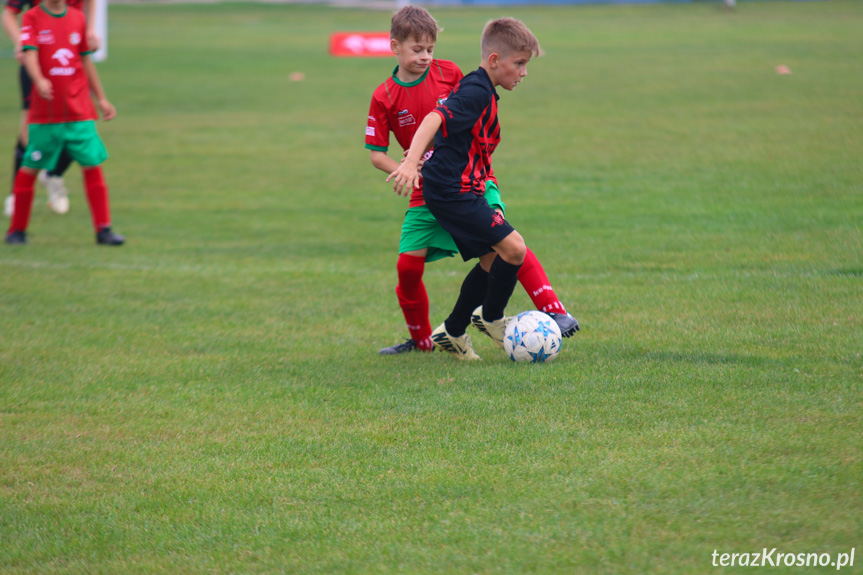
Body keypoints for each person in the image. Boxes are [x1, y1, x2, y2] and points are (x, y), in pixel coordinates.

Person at [367, 6, 578, 356]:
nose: (524, 73)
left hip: (468, 184)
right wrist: (410, 165)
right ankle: (493, 317)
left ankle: (453, 329)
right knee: (512, 247)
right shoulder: (476, 90)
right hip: (451, 190)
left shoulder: (466, 81)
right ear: (495, 60)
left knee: (495, 258)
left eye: (429, 49)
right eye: (520, 64)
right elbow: (435, 117)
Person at [5, 0, 123, 246]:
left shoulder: (78, 18)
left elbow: (86, 61)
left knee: (92, 164)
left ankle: (104, 230)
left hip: (79, 110)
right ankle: (17, 230)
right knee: (30, 167)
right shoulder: (33, 17)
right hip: (45, 113)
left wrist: (101, 98)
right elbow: (30, 52)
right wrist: (38, 79)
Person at [2, 0, 96, 218]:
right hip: (37, 61)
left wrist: (89, 30)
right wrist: (21, 42)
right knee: (29, 132)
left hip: (72, 64)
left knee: (80, 127)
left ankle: (54, 174)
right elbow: (8, 13)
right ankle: (16, 195)